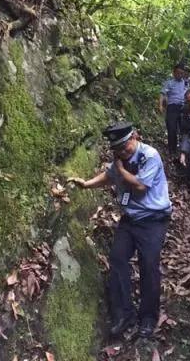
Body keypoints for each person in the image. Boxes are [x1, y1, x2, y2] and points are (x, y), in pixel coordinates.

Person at [68, 122, 172, 338]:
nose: (123, 152)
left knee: (148, 265)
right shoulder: (119, 160)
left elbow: (140, 185)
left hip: (153, 219)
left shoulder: (149, 156)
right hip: (130, 218)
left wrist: (121, 168)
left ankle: (148, 318)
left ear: (135, 137)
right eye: (118, 149)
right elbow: (109, 176)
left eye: (125, 147)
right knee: (117, 259)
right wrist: (86, 184)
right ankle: (124, 314)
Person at [159, 63, 188, 158]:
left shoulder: (186, 83)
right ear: (174, 73)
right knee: (172, 129)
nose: (180, 75)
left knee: (184, 129)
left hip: (183, 108)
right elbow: (162, 93)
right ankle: (172, 150)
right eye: (178, 73)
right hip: (172, 107)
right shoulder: (169, 83)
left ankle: (183, 151)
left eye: (181, 73)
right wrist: (160, 105)